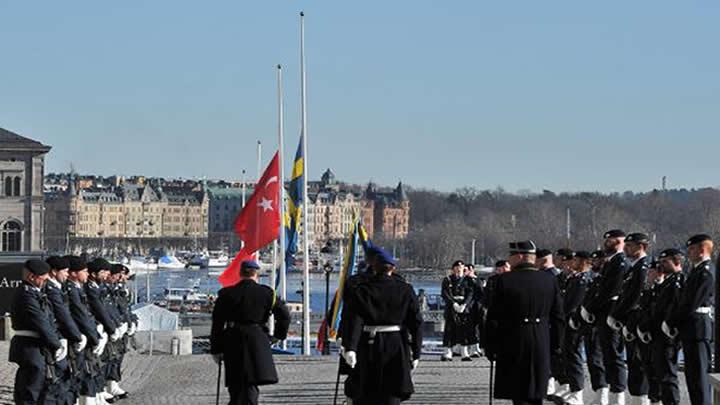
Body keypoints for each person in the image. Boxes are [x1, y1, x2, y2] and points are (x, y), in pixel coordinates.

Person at [486, 241, 564, 405]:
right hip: (541, 338)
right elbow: (558, 316)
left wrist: (490, 345)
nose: (509, 260)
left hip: (514, 338)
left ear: (520, 256)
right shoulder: (549, 280)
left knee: (519, 391)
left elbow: (494, 317)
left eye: (511, 256)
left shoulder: (504, 280)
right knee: (536, 390)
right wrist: (557, 344)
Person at [342, 247, 423, 404]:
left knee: (365, 393)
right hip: (396, 345)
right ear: (392, 268)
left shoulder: (362, 290)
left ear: (374, 267)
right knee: (392, 393)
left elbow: (354, 320)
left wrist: (350, 348)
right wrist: (417, 351)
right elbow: (416, 323)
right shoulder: (405, 289)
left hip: (368, 344)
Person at [210, 260, 291, 405]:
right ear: (256, 274)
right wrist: (278, 336)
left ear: (240, 273)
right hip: (257, 339)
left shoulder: (227, 294)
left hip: (233, 339)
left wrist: (216, 349)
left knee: (237, 386)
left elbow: (217, 324)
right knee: (250, 384)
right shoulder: (267, 293)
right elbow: (285, 315)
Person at [665, 235, 714, 405]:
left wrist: (672, 322)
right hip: (690, 328)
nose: (689, 253)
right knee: (692, 378)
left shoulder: (706, 271)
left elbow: (691, 302)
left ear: (702, 250)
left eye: (692, 249)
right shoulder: (696, 271)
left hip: (698, 329)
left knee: (700, 379)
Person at [582, 229, 629, 404]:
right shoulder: (610, 262)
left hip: (612, 310)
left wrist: (592, 308)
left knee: (614, 354)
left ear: (618, 241)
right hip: (604, 311)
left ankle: (618, 394)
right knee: (607, 354)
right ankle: (611, 392)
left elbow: (610, 290)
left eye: (609, 241)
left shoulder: (620, 262)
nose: (606, 243)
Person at [9, 259, 65, 405]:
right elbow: (40, 321)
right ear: (32, 277)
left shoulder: (35, 292)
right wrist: (57, 344)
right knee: (30, 389)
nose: (46, 281)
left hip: (37, 345)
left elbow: (49, 319)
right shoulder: (26, 295)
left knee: (41, 386)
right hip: (30, 347)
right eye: (43, 278)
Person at [638, 249, 684, 405]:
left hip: (666, 336)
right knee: (656, 372)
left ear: (677, 261)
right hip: (656, 334)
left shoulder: (677, 281)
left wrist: (667, 326)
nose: (662, 266)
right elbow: (648, 308)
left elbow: (672, 308)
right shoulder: (665, 284)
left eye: (665, 262)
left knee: (667, 375)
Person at [609, 233, 650, 405]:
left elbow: (634, 297)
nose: (626, 249)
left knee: (639, 363)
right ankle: (635, 398)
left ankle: (641, 400)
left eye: (630, 246)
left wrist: (618, 315)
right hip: (630, 319)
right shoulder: (634, 267)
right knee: (633, 362)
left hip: (638, 319)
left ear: (641, 246)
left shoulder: (643, 267)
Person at [45, 256, 85, 405]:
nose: (67, 275)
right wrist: (78, 336)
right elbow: (63, 315)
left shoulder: (57, 288)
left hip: (63, 335)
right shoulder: (51, 289)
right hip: (57, 336)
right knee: (57, 380)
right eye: (65, 271)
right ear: (54, 271)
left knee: (66, 377)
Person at [65, 255, 102, 405]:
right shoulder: (72, 290)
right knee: (77, 373)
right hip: (77, 336)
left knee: (86, 370)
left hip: (84, 334)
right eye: (84, 271)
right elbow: (80, 315)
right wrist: (94, 337)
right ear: (74, 273)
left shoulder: (77, 288)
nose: (87, 274)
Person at [559, 251, 593, 404]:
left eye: (576, 260)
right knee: (568, 355)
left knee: (573, 356)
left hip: (575, 322)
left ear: (584, 261)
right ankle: (573, 389)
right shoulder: (575, 278)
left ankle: (578, 391)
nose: (572, 263)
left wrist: (570, 317)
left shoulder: (584, 280)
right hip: (567, 321)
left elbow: (575, 303)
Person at [440, 260, 475, 361]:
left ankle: (464, 353)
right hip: (452, 307)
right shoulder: (447, 279)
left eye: (461, 266)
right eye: (457, 266)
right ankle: (447, 352)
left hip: (464, 307)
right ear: (453, 268)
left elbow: (470, 293)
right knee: (449, 330)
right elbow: (445, 293)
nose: (459, 268)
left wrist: (464, 304)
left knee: (464, 329)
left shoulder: (468, 280)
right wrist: (453, 303)